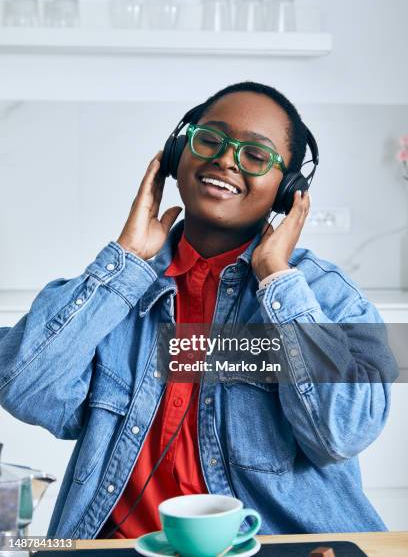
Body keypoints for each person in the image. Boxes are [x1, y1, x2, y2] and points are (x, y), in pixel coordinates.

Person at [0, 81, 399, 539]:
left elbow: (342, 433)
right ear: (177, 155)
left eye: (255, 155)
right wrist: (126, 259)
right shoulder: (119, 290)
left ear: (288, 191)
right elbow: (24, 390)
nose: (226, 160)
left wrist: (275, 278)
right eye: (210, 139)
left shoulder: (328, 295)